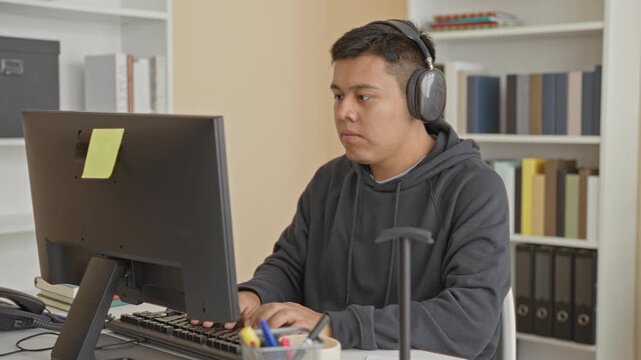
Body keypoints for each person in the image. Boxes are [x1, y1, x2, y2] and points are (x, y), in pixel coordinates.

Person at [200, 19, 510, 359]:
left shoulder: (475, 189)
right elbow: (290, 266)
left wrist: (331, 326)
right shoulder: (330, 180)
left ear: (422, 101)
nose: (344, 112)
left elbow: (469, 319)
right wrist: (252, 296)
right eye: (337, 96)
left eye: (364, 97)